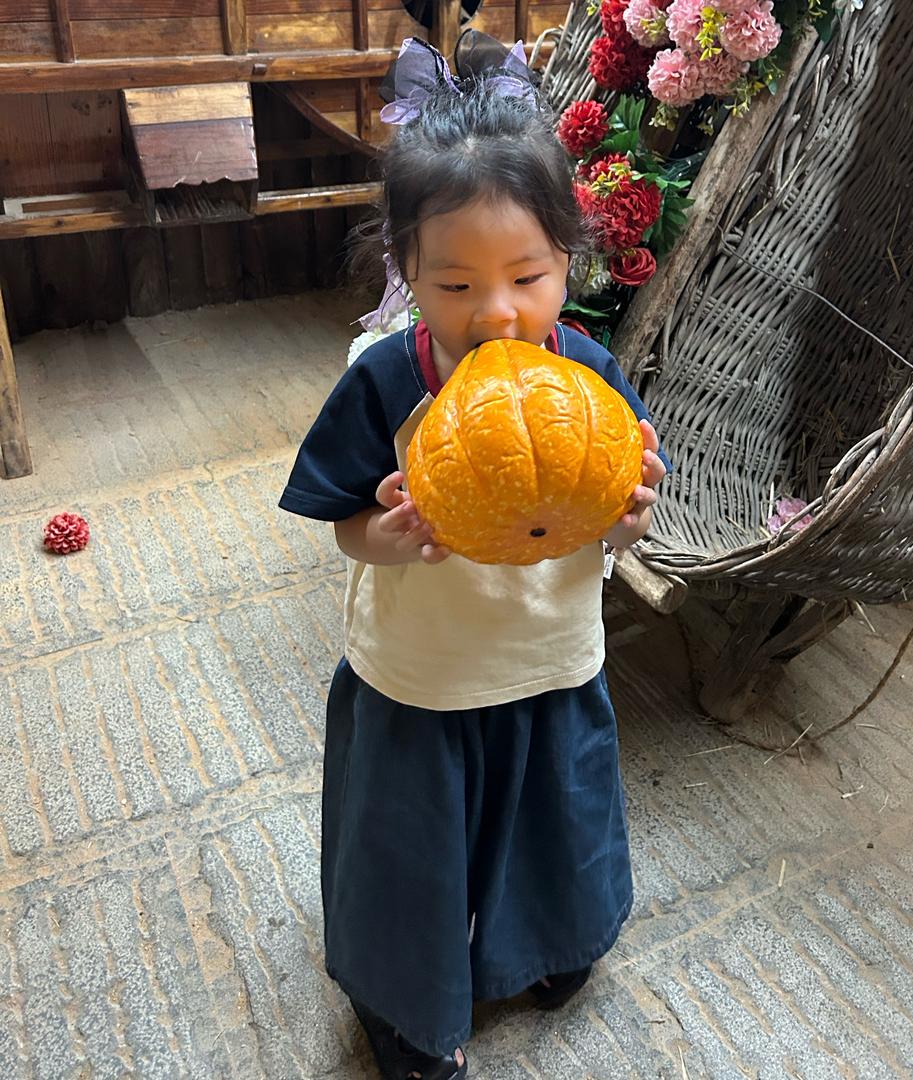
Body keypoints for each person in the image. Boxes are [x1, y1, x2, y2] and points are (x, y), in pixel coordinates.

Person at [279, 32, 669, 1080]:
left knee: (557, 818)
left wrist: (630, 514)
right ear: (405, 269)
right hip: (423, 676)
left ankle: (550, 942)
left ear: (566, 259)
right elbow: (340, 520)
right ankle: (406, 1003)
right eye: (454, 284)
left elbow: (616, 519)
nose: (496, 310)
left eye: (527, 276)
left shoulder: (586, 368)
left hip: (549, 654)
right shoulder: (382, 379)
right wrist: (387, 538)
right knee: (409, 852)